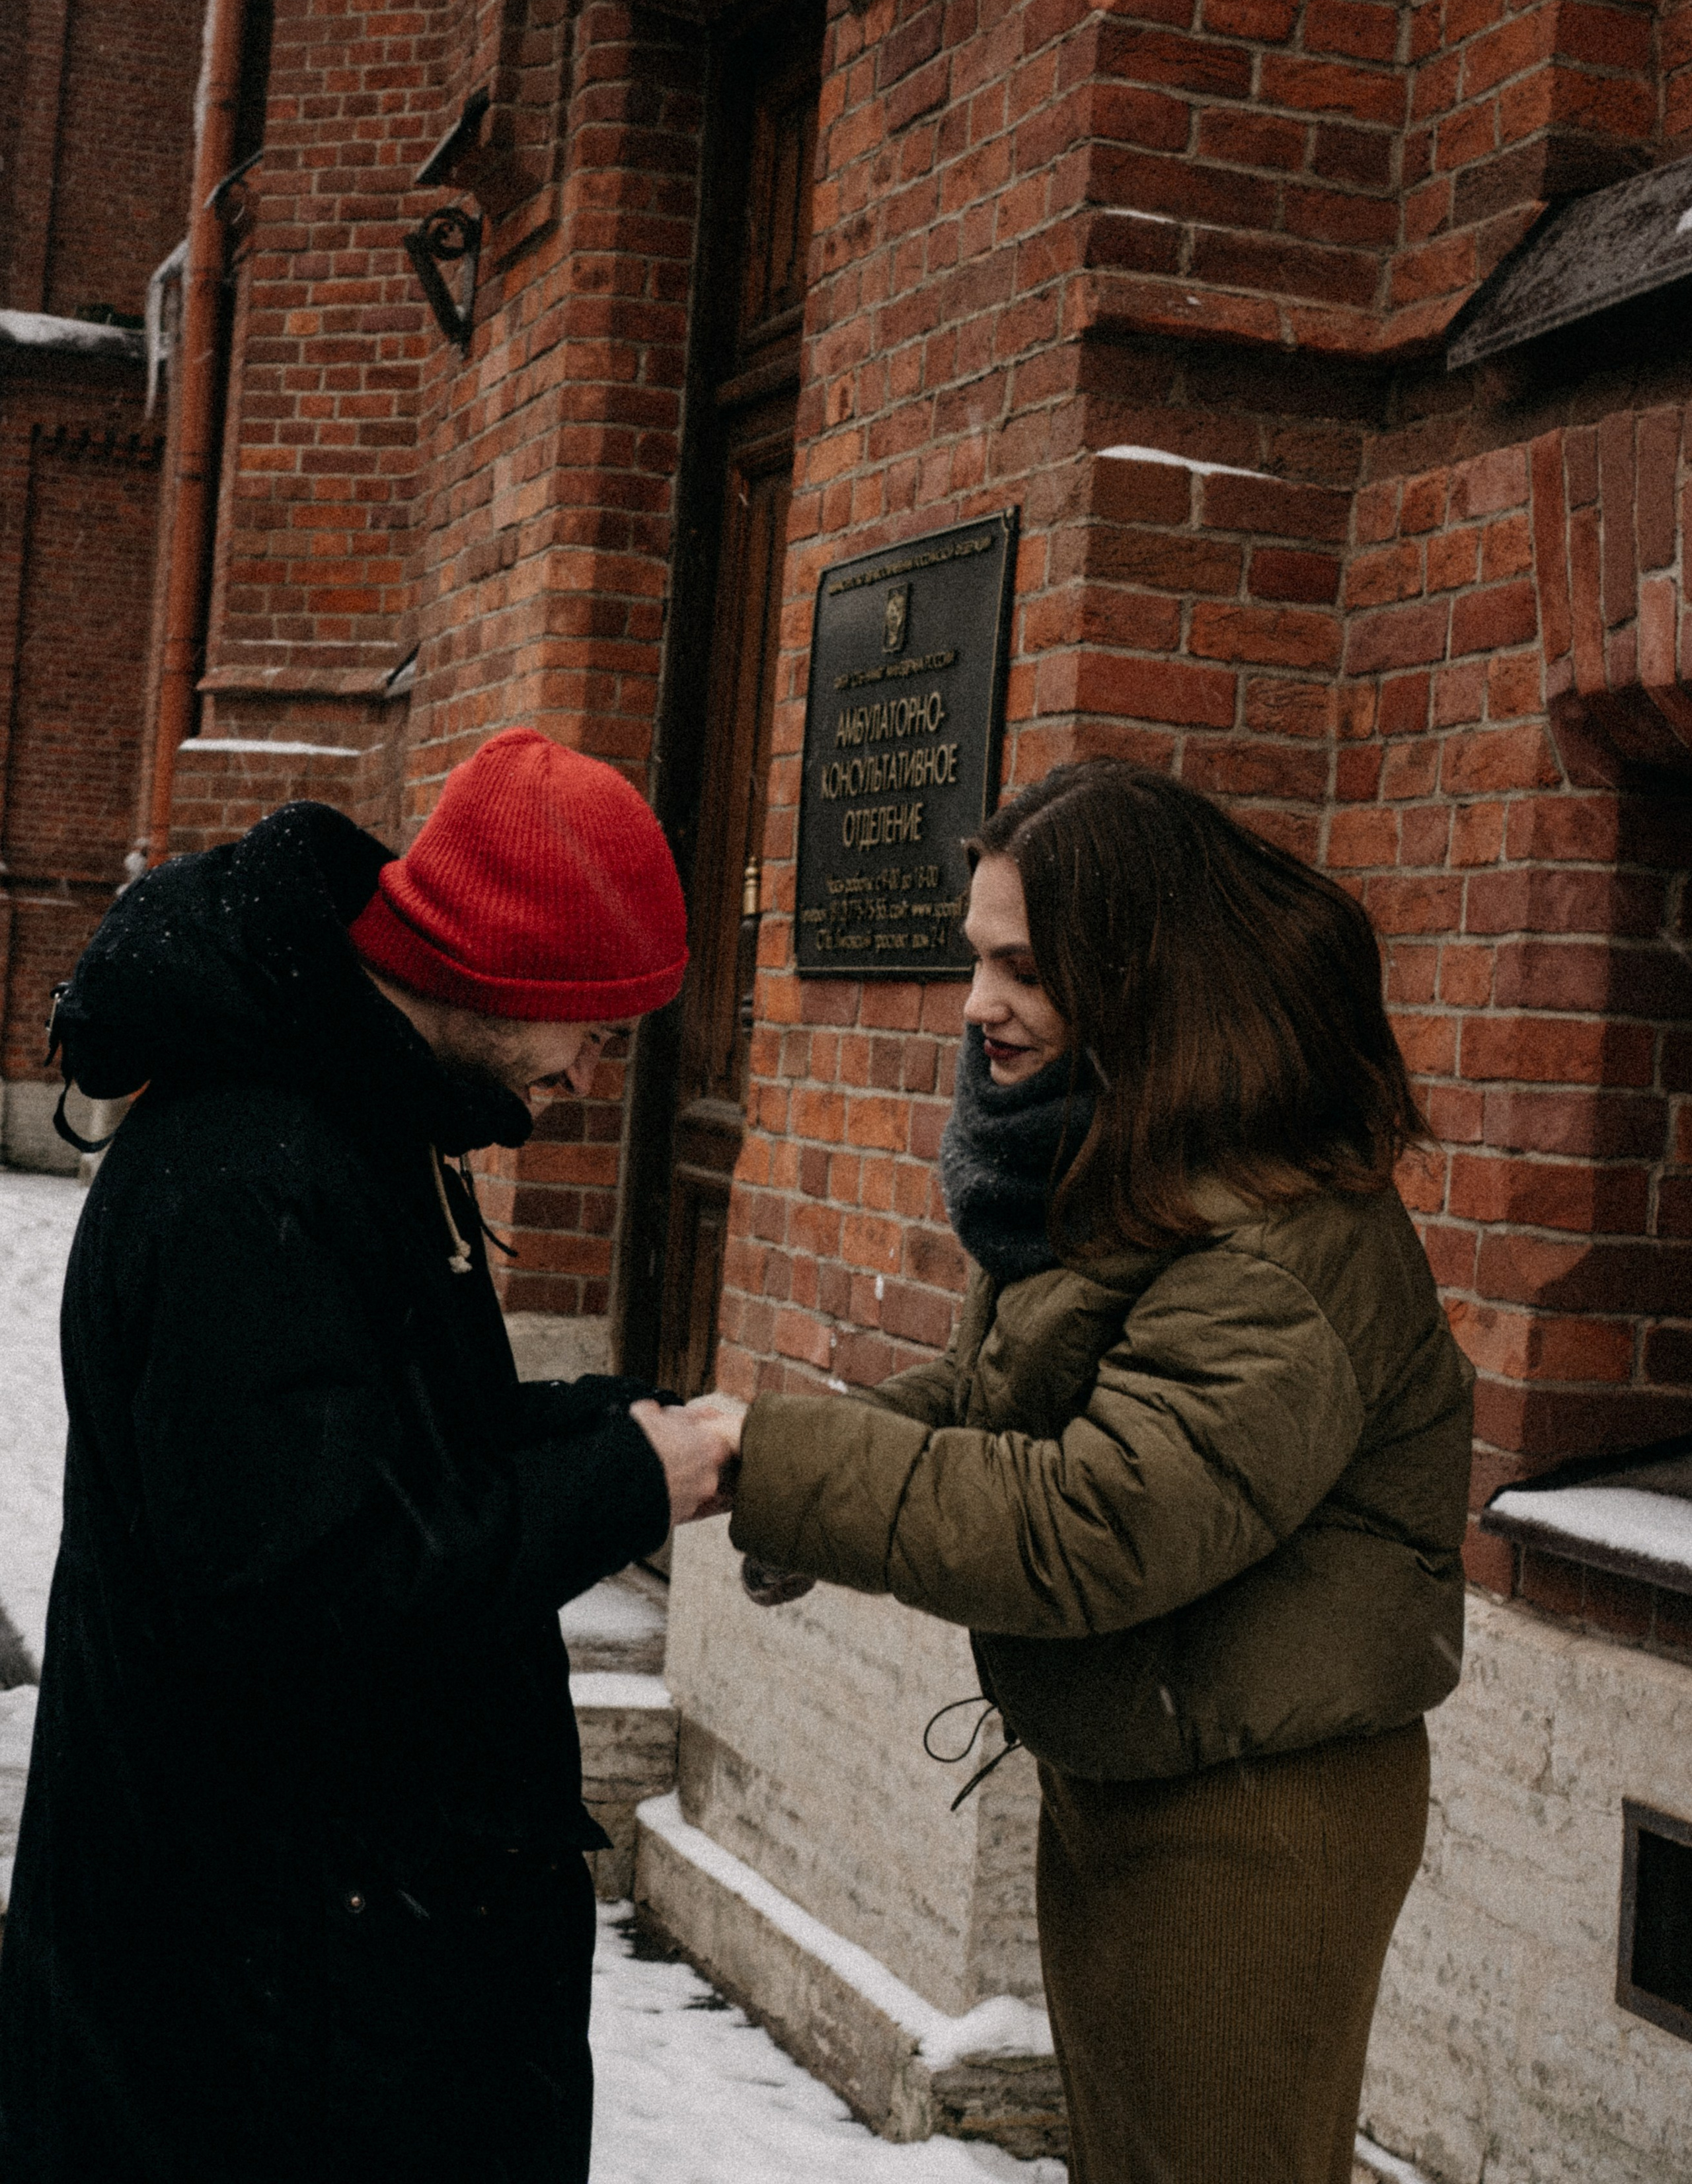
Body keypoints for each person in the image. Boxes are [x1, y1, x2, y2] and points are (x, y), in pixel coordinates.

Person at [711, 760, 1475, 2184]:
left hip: (1252, 1817)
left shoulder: (1274, 1239)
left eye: (1022, 967)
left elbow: (1092, 1524)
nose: (977, 1003)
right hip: (1149, 1760)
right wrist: (780, 1469)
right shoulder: (1126, 1164)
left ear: (1140, 976)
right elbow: (1004, 1396)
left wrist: (783, 1467)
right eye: (975, 959)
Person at [0, 728, 736, 2184]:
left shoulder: (358, 1115)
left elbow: (403, 1444)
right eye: (594, 1026)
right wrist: (622, 1487)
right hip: (252, 2024)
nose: (595, 1074)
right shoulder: (249, 1175)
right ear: (505, 972)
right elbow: (307, 1586)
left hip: (324, 1970)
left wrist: (635, 1429)